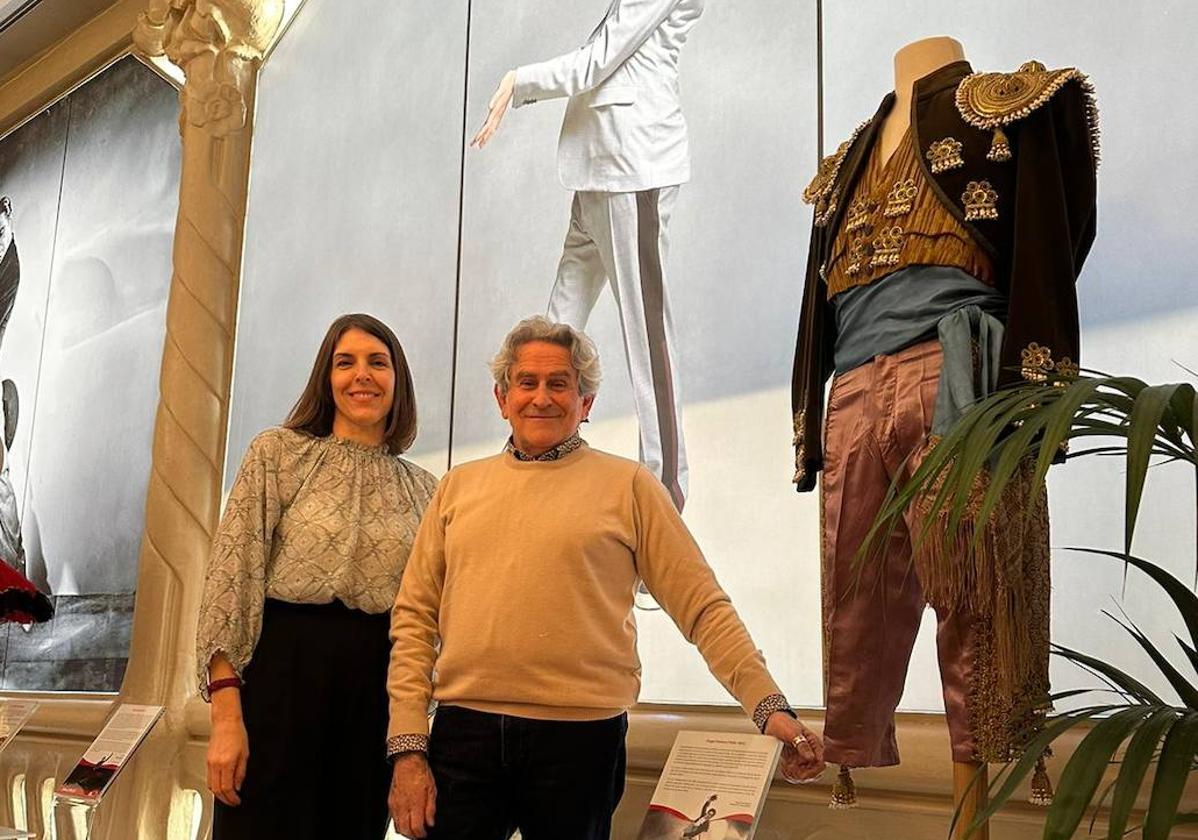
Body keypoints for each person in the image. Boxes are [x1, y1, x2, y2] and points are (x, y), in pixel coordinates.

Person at [386, 316, 823, 840]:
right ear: (502, 398)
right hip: (464, 736)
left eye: (559, 383)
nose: (541, 397)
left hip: (580, 744)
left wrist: (768, 706)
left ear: (586, 402)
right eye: (526, 382)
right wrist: (409, 748)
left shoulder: (630, 488)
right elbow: (413, 623)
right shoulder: (456, 489)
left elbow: (702, 607)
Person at [196, 313, 438, 839]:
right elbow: (231, 582)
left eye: (379, 362)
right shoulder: (277, 454)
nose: (362, 376)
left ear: (399, 382)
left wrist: (411, 743)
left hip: (374, 696)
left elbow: (430, 620)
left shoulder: (426, 491)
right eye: (344, 362)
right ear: (325, 379)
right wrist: (226, 718)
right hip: (278, 685)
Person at [472, 0, 704, 510]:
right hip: (598, 173)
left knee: (649, 343)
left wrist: (518, 80)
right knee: (553, 331)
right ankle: (531, 471)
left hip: (632, 171)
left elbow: (597, 60)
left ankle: (664, 512)